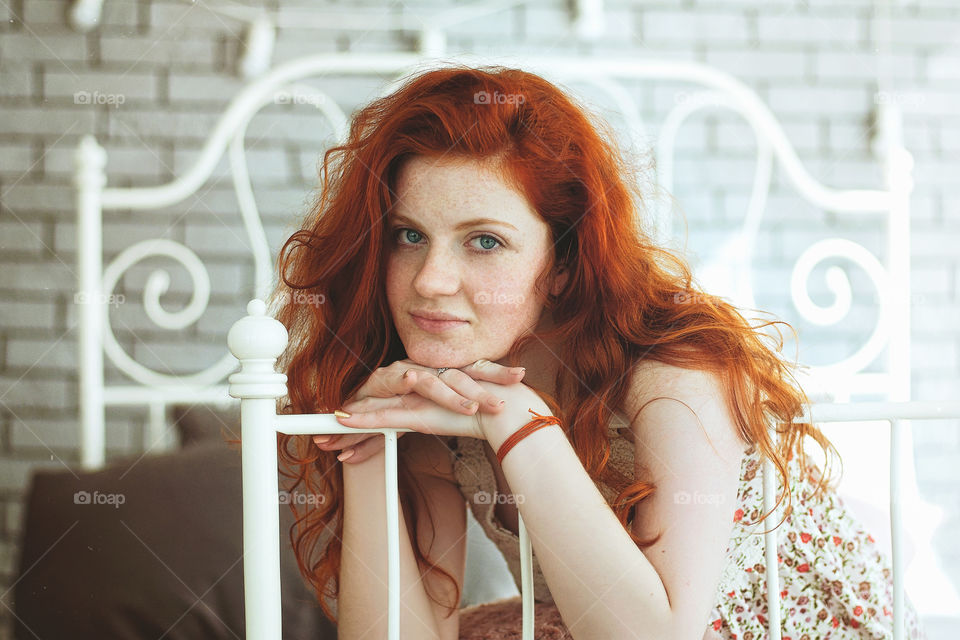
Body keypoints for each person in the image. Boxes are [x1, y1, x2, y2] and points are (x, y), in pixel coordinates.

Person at [267, 64, 926, 640]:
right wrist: (368, 446)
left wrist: (519, 421)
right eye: (409, 235)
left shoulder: (675, 374)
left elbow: (657, 637)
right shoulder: (439, 405)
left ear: (563, 262)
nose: (431, 280)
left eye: (485, 241)